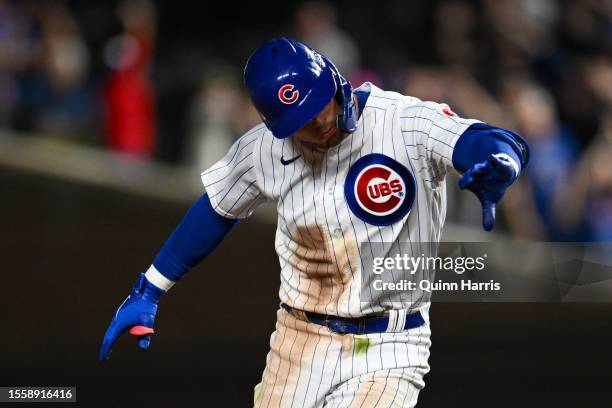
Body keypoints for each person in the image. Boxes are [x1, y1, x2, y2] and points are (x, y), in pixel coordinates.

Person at [100, 38, 529, 407]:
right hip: (298, 339)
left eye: (317, 105)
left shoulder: (402, 122)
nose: (318, 122)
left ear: (334, 81)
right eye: (299, 121)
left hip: (390, 342)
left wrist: (501, 161)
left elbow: (480, 139)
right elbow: (216, 208)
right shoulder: (263, 150)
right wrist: (150, 288)